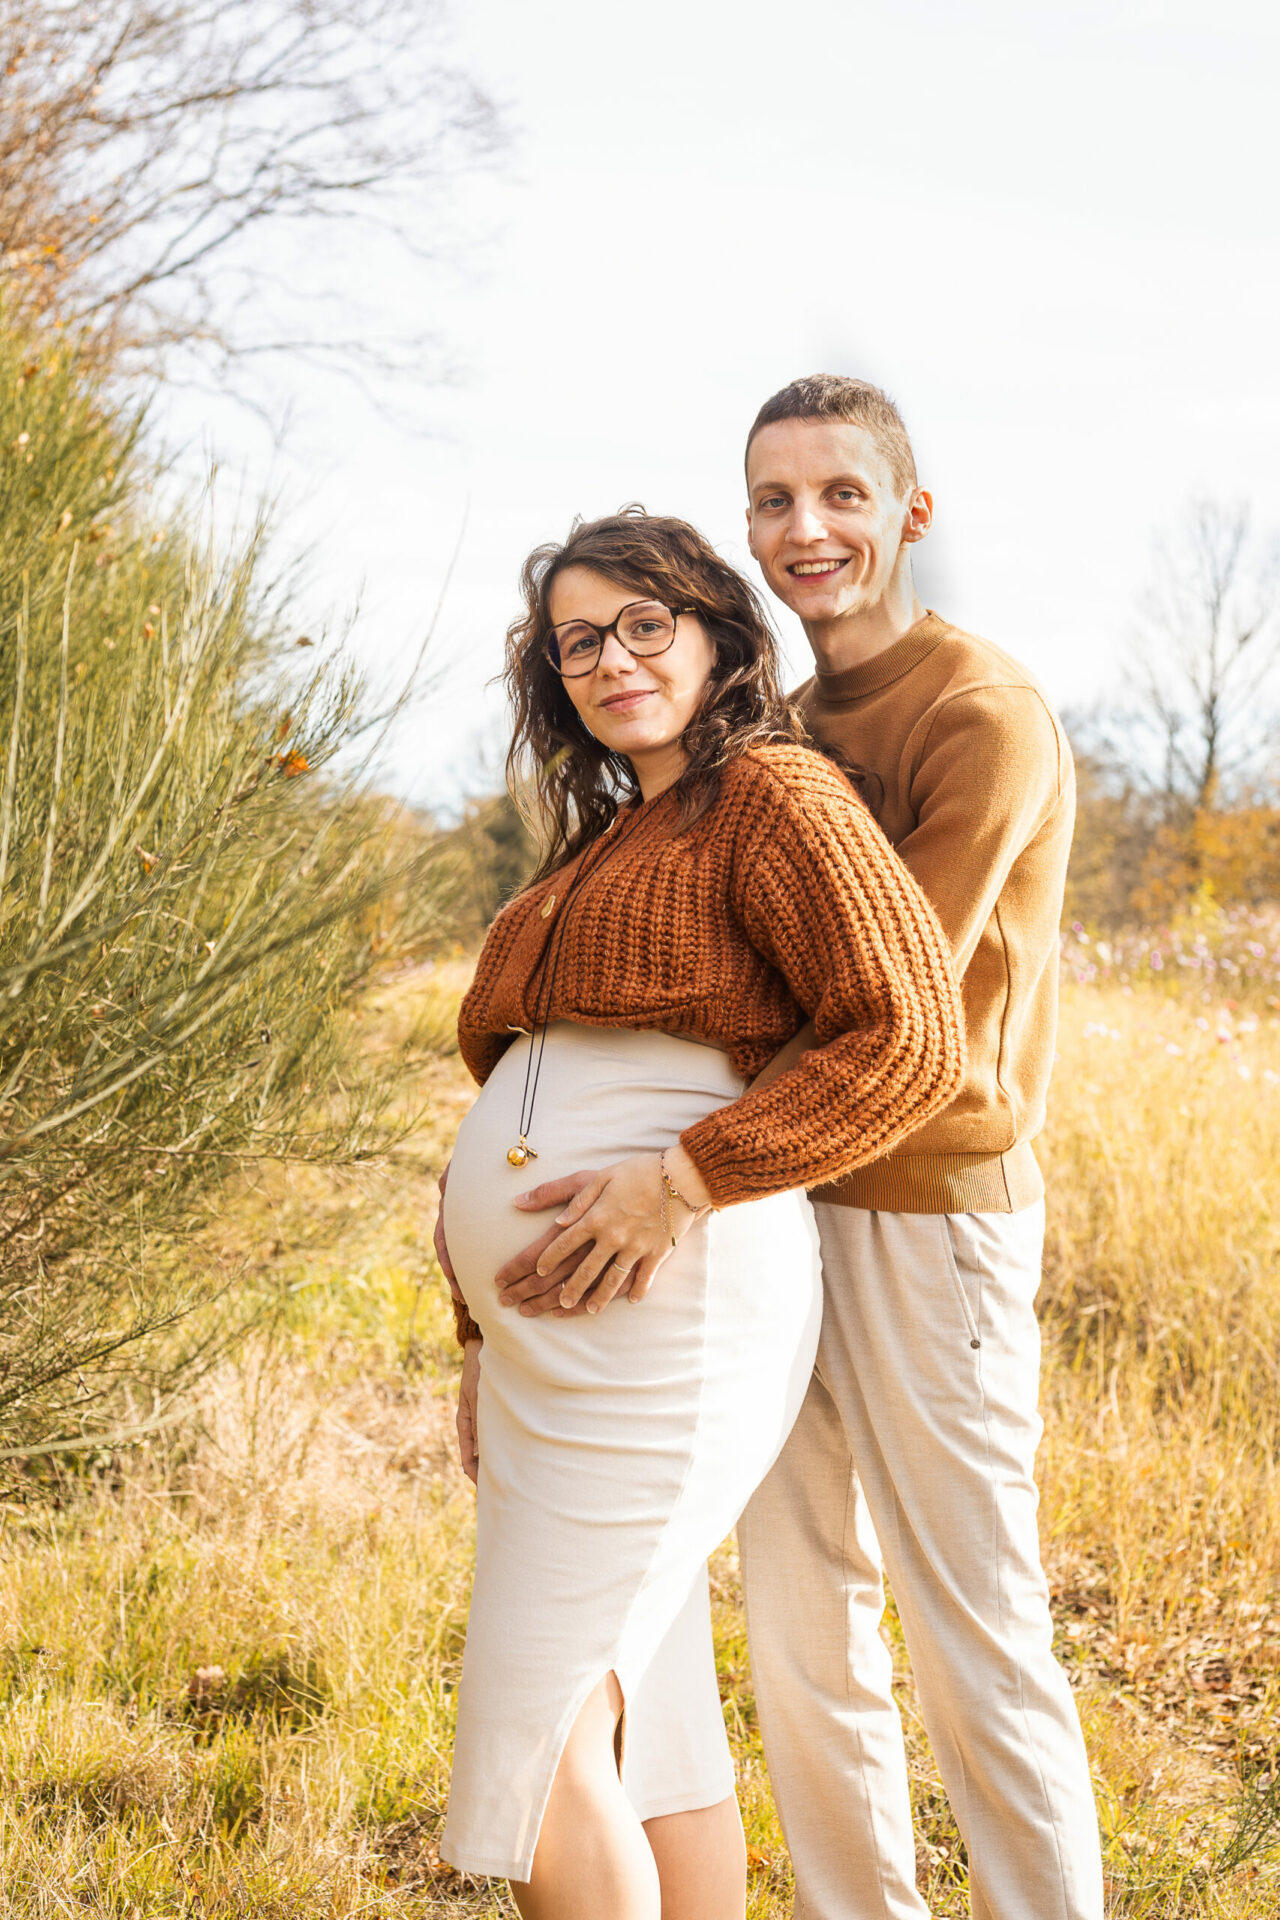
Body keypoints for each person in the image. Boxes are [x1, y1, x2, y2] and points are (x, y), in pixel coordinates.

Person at [497, 381, 1105, 1920]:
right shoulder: (778, 725)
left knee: (974, 1625)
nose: (804, 528)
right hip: (775, 1206)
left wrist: (668, 1153)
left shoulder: (976, 716)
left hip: (924, 1208)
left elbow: (879, 994)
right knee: (800, 1626)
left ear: (911, 510)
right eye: (772, 501)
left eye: (841, 494)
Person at [432, 507, 964, 1920]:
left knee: (533, 1738)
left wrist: (676, 1184)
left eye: (642, 624)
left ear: (718, 627)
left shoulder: (775, 796)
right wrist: (478, 1338)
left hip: (665, 1304)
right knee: (647, 1717)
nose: (610, 659)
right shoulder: (612, 834)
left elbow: (908, 1034)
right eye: (577, 643)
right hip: (561, 1338)